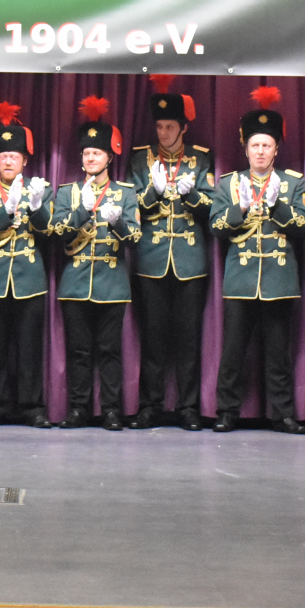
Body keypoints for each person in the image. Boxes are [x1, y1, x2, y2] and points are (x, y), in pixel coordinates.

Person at [209, 85, 305, 434]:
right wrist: (238, 209)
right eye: (255, 145)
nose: (260, 151)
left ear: (276, 149)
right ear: (246, 148)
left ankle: (282, 414)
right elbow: (216, 227)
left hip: (278, 281)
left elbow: (304, 225)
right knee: (233, 353)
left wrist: (278, 206)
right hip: (240, 279)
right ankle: (227, 412)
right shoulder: (229, 184)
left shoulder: (293, 184)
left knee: (278, 354)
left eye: (267, 145)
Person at [49, 96, 141, 430]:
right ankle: (79, 409)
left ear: (109, 158)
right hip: (76, 283)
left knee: (109, 350)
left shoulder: (125, 193)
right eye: (86, 153)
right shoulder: (67, 192)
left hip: (112, 283)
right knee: (79, 351)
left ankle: (112, 410)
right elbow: (57, 233)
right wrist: (80, 212)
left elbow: (135, 238)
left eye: (97, 153)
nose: (90, 158)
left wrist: (117, 223)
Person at [129, 75, 215, 430]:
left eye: (169, 126)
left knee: (188, 339)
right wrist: (154, 191)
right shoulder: (141, 159)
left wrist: (191, 195)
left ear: (183, 127)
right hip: (151, 258)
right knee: (152, 338)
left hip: (189, 259)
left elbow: (211, 208)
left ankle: (188, 407)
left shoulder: (201, 159)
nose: (163, 133)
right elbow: (132, 206)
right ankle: (149, 405)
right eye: (159, 126)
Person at [0, 101, 55, 427]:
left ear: (24, 160)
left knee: (30, 348)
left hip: (29, 278)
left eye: (14, 156)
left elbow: (50, 232)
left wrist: (37, 208)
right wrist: (5, 212)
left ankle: (32, 407)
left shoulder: (40, 189)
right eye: (3, 156)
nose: (7, 161)